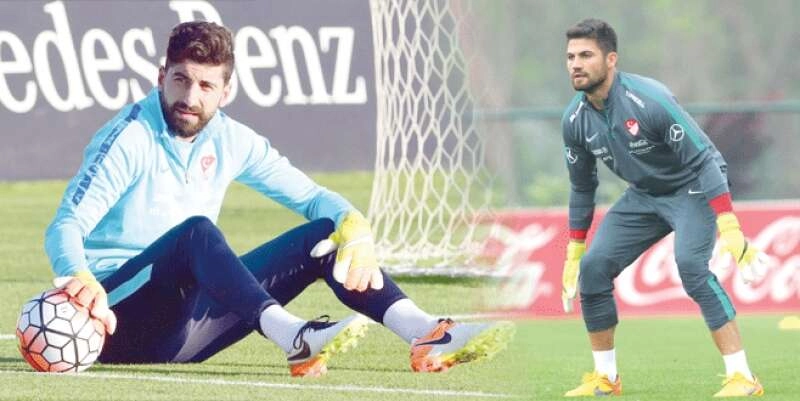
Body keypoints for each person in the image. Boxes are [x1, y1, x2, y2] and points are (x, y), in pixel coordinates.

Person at [44, 21, 513, 378]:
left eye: (206, 86)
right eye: (181, 80)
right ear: (161, 76)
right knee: (196, 234)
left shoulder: (232, 139)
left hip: (187, 332)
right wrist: (79, 276)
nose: (190, 97)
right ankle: (295, 337)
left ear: (226, 92)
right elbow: (65, 224)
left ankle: (426, 332)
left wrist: (355, 226)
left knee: (326, 234)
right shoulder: (130, 137)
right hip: (114, 321)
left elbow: (313, 197)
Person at [559, 18, 767, 397]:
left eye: (586, 55)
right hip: (644, 194)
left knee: (691, 267)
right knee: (592, 268)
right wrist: (574, 251)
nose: (576, 64)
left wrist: (730, 227)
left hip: (693, 185)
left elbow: (705, 160)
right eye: (571, 56)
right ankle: (606, 378)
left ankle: (743, 378)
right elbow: (582, 186)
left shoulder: (649, 99)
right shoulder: (574, 120)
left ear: (611, 59)